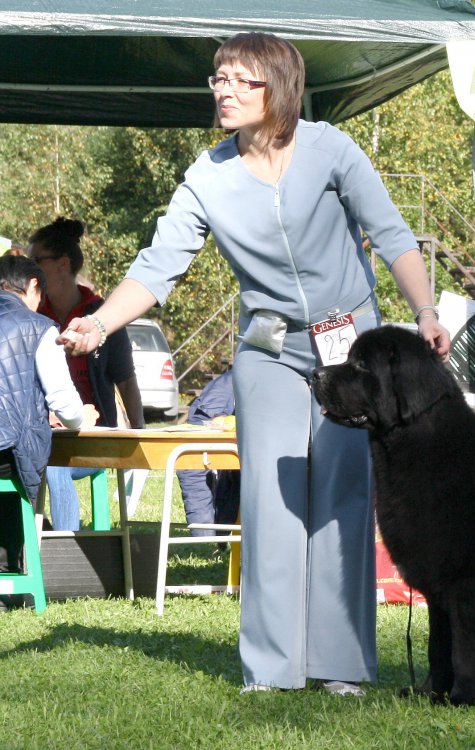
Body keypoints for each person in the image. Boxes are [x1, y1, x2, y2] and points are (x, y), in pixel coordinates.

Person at [59, 32, 450, 694]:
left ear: (280, 89)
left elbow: (389, 232)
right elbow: (158, 267)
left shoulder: (331, 149)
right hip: (267, 347)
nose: (224, 91)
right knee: (269, 500)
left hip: (346, 339)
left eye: (242, 81)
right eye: (219, 79)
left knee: (341, 495)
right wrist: (98, 324)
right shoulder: (206, 177)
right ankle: (270, 671)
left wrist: (427, 311)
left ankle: (341, 666)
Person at [28, 217, 144, 531]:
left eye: (35, 261)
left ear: (62, 265)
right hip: (41, 436)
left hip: (93, 439)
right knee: (42, 459)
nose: (29, 269)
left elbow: (126, 379)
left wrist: (140, 432)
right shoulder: (33, 315)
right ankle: (35, 539)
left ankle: (64, 551)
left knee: (54, 466)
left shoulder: (101, 316)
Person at [0, 255, 98, 610]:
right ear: (33, 286)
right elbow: (63, 400)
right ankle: (11, 579)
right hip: (7, 452)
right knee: (19, 471)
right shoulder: (38, 326)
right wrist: (79, 417)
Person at [177, 369, 240, 540]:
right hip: (211, 415)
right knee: (194, 469)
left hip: (230, 405)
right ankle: (206, 540)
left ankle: (218, 537)